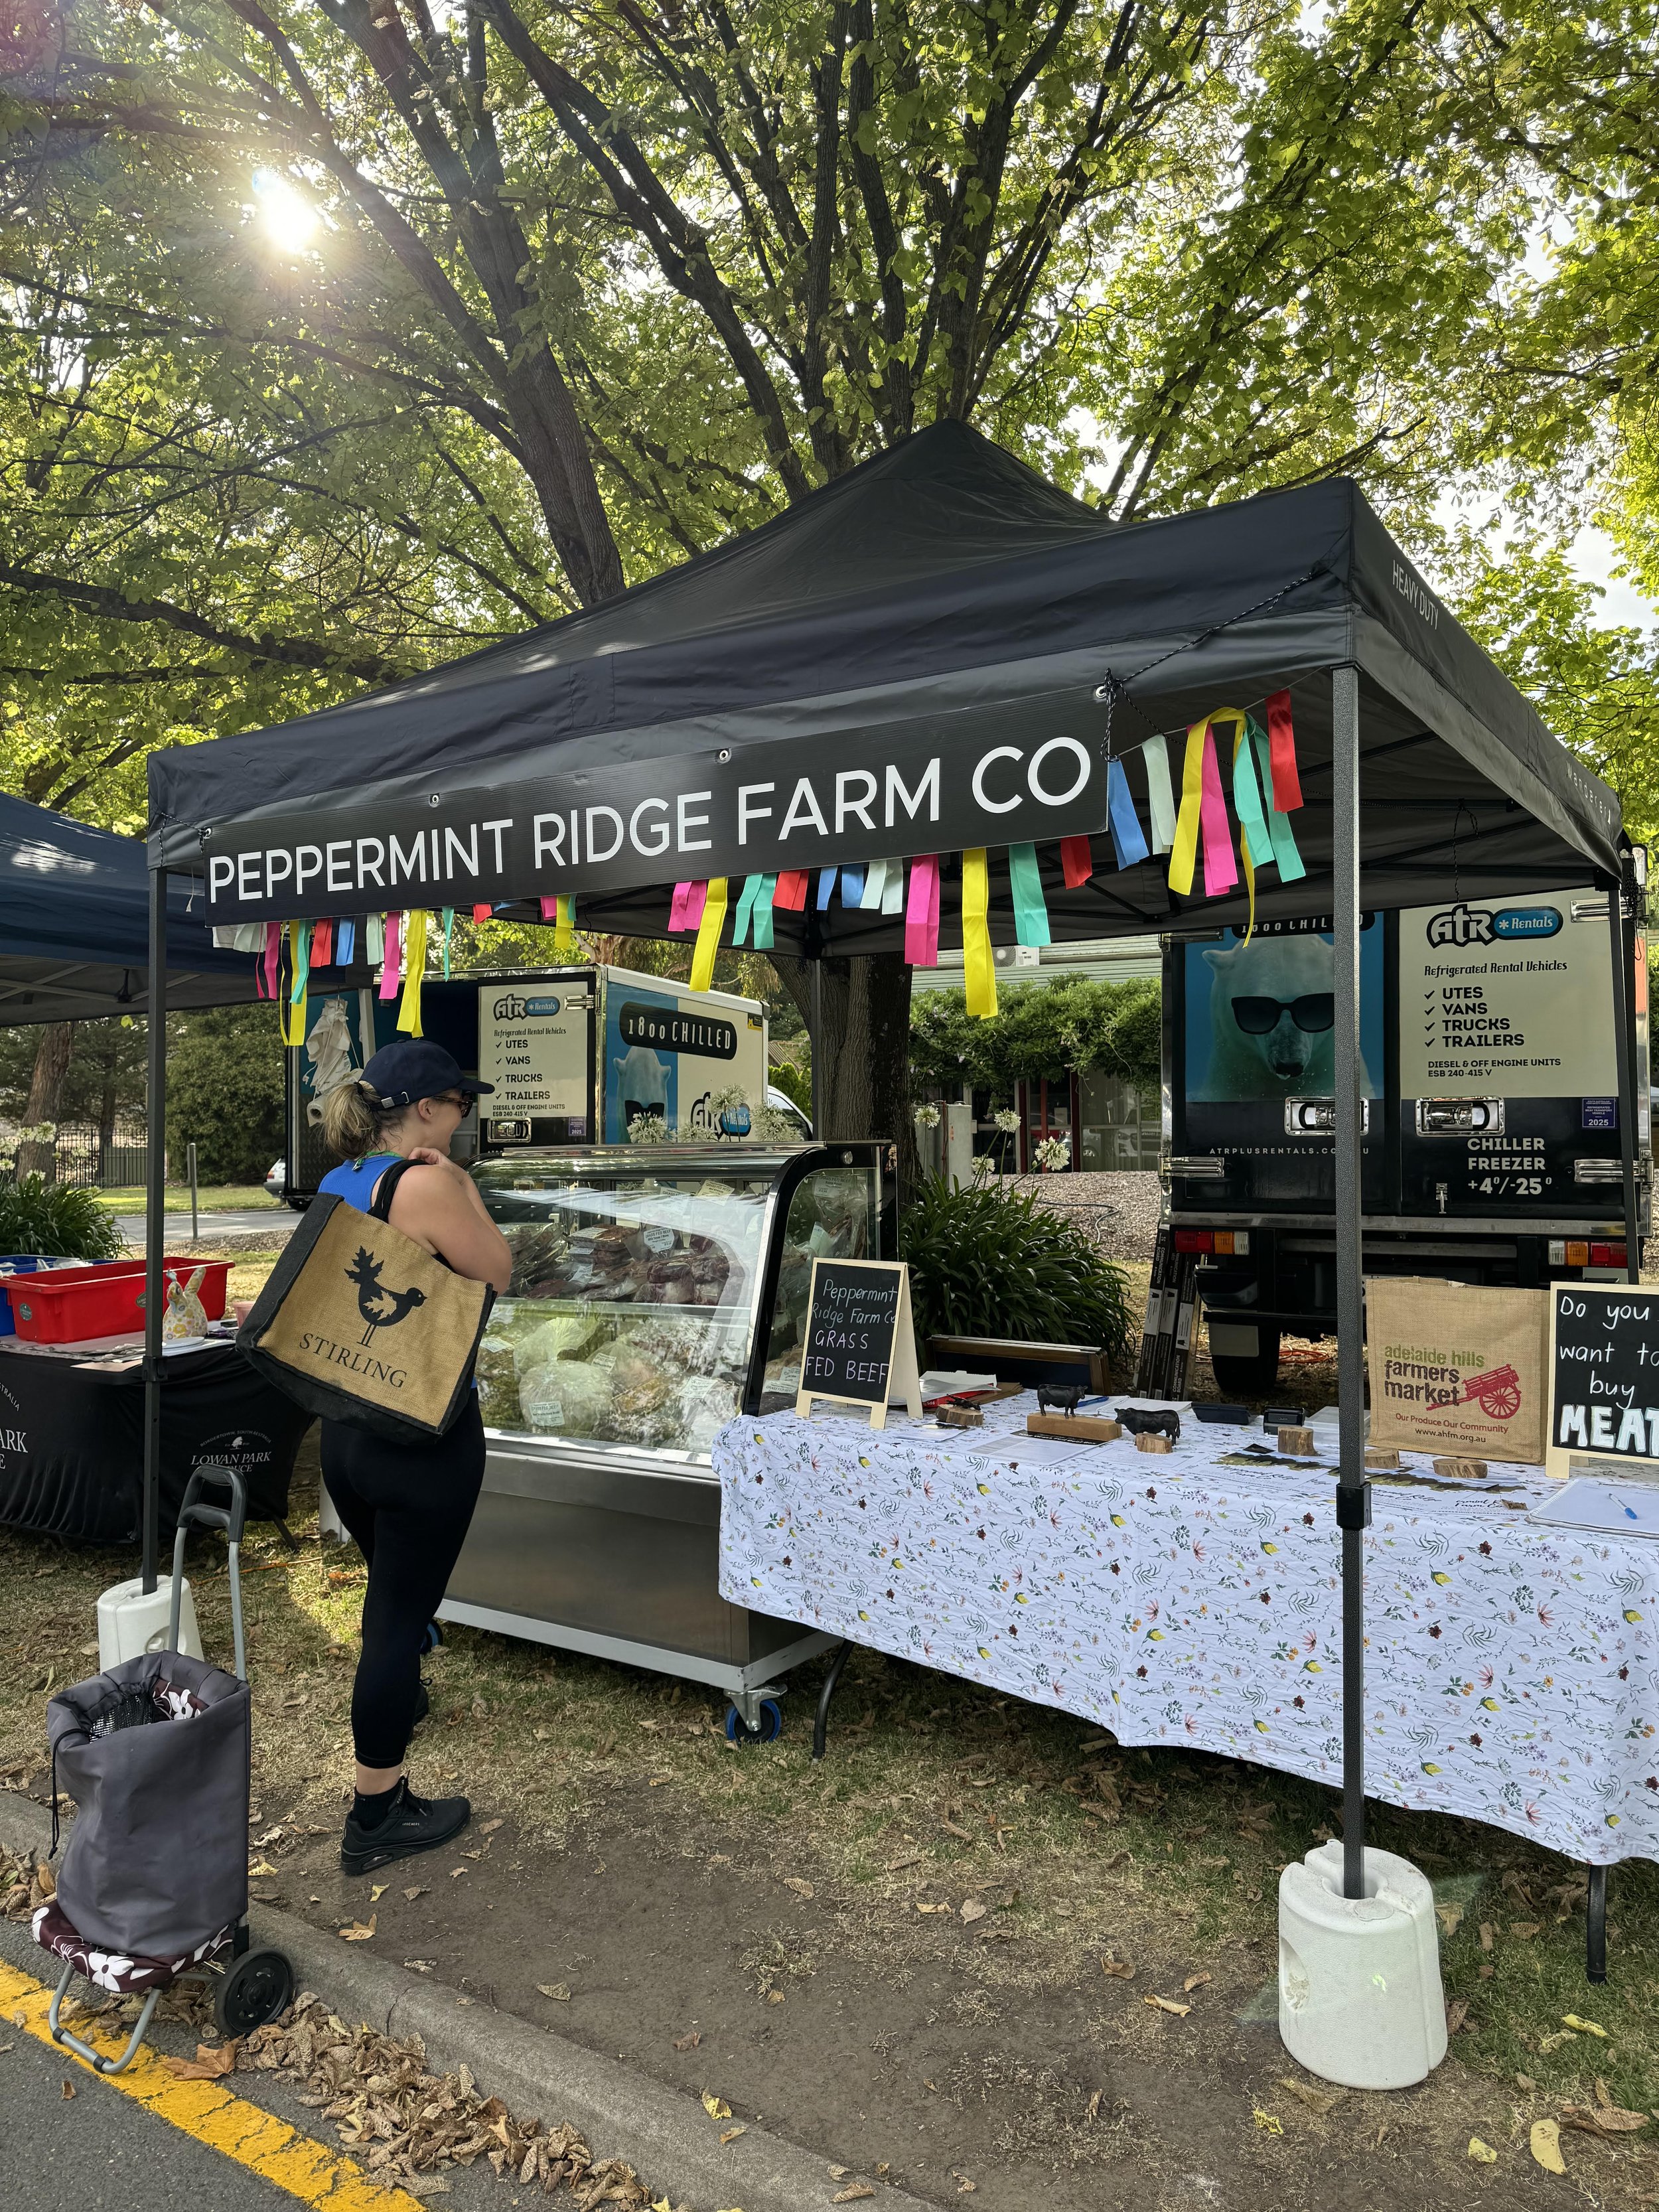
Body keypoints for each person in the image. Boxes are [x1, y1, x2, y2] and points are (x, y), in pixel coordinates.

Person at [315, 1039, 512, 1876]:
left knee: (392, 1604)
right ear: (426, 1108)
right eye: (460, 1103)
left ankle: (402, 1701)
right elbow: (496, 1271)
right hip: (420, 1435)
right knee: (392, 1626)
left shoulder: (340, 1179)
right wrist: (460, 1184)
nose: (466, 1117)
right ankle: (377, 1811)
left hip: (347, 1430)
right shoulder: (431, 1182)